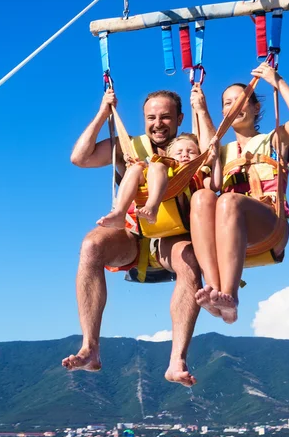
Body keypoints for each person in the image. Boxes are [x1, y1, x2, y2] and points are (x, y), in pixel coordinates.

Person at [62, 83, 216, 387]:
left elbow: (214, 152)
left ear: (179, 118)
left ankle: (176, 361)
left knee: (190, 261)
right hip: (133, 233)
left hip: (173, 237)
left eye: (166, 117)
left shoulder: (191, 147)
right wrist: (102, 112)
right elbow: (79, 158)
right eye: (151, 117)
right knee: (91, 245)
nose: (158, 123)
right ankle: (90, 348)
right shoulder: (129, 146)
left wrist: (202, 108)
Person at [190, 62, 289, 324]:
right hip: (232, 232)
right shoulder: (223, 152)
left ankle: (230, 297)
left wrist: (275, 80)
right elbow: (207, 146)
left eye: (242, 100)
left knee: (230, 200)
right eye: (227, 103)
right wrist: (199, 109)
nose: (234, 106)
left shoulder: (273, 140)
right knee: (201, 197)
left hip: (270, 227)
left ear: (256, 107)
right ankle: (213, 288)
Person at [96, 132, 221, 229]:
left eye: (191, 152)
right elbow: (148, 171)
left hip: (182, 211)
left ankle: (151, 207)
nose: (185, 155)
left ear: (199, 157)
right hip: (162, 194)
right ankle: (119, 213)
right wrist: (132, 165)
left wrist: (215, 160)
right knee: (139, 168)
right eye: (179, 152)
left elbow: (215, 186)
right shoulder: (163, 168)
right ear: (169, 157)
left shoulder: (198, 174)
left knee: (157, 166)